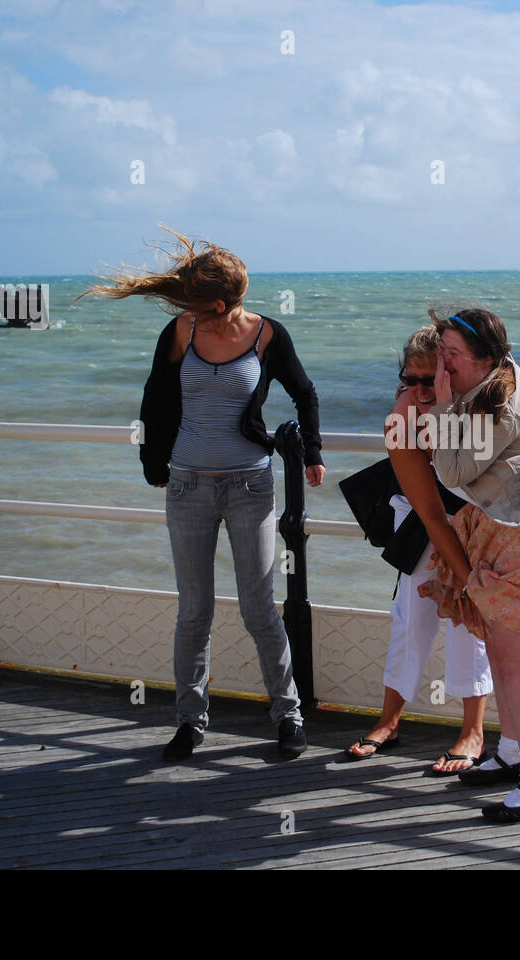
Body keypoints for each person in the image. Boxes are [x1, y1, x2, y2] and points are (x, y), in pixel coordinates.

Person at [83, 228, 325, 761]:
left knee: (260, 609)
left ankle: (287, 716)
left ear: (221, 303)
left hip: (249, 487)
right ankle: (190, 722)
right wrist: (153, 463)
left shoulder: (267, 335)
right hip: (188, 485)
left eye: (196, 302)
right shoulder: (180, 331)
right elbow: (154, 395)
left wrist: (312, 453)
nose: (186, 308)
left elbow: (304, 392)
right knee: (194, 610)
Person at [387, 306, 520, 823]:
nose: (440, 374)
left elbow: (450, 475)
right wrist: (424, 405)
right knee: (499, 652)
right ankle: (513, 754)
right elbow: (431, 505)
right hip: (497, 528)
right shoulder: (465, 393)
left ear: (487, 359)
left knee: (514, 659)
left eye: (450, 359)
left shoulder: (493, 406)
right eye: (426, 370)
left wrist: (440, 405)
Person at [344, 327, 493, 774]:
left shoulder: (480, 408)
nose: (420, 389)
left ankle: (474, 732)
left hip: (475, 520)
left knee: (468, 624)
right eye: (411, 379)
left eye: (431, 379)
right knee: (410, 617)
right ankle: (389, 721)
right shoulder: (403, 414)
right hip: (423, 518)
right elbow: (429, 507)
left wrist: (467, 572)